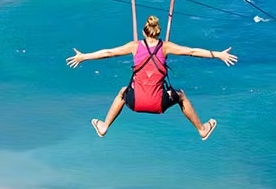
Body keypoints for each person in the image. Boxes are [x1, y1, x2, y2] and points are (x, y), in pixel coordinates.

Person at [67, 14, 237, 140]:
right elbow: (192, 51)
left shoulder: (134, 46)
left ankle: (104, 126)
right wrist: (218, 54)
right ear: (158, 32)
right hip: (159, 104)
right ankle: (202, 129)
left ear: (144, 31)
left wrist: (83, 57)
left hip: (135, 103)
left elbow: (108, 52)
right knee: (181, 96)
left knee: (122, 92)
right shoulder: (166, 47)